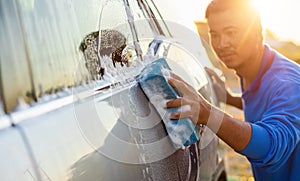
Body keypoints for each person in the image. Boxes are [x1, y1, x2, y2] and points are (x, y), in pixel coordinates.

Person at [166, 0, 300, 180]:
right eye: (215, 34)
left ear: (256, 31)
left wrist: (208, 114)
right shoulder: (254, 68)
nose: (221, 44)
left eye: (231, 33)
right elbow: (268, 104)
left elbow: (272, 147)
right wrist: (231, 98)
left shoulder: (287, 83)